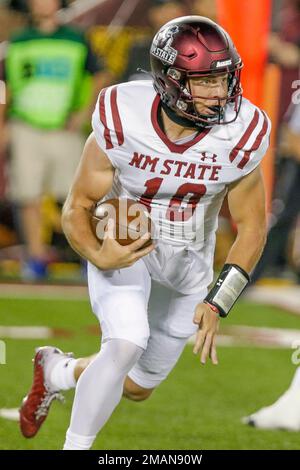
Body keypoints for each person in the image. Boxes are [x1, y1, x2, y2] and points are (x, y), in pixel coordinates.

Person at [19, 16, 271, 449]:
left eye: (225, 78)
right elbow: (77, 206)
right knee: (125, 342)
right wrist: (100, 255)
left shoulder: (242, 132)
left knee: (136, 386)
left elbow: (252, 226)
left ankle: (58, 372)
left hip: (190, 262)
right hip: (127, 243)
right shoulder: (122, 115)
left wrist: (217, 301)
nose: (220, 93)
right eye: (206, 81)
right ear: (170, 80)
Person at [0, 0, 110, 280]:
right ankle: (36, 259)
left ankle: (89, 256)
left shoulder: (76, 38)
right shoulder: (18, 40)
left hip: (65, 128)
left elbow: (101, 74)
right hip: (26, 124)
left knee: (78, 196)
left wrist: (84, 112)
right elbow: (7, 85)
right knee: (28, 196)